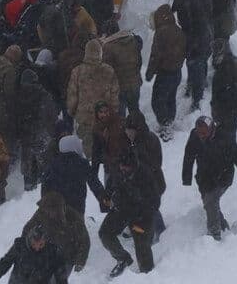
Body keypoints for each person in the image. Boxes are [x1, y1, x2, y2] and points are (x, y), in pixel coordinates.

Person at [182, 116, 237, 240]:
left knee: (211, 202)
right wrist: (186, 177)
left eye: (204, 133)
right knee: (209, 203)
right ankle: (224, 227)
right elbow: (188, 156)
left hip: (223, 176)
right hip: (204, 178)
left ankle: (214, 234)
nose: (201, 136)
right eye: (199, 133)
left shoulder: (225, 137)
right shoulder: (195, 136)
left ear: (212, 129)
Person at [99, 152, 160, 277]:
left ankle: (148, 274)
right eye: (121, 166)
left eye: (126, 167)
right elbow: (110, 187)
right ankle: (123, 258)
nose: (123, 169)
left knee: (142, 244)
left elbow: (154, 202)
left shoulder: (145, 176)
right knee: (105, 233)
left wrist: (140, 215)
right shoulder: (118, 171)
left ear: (134, 166)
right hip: (121, 211)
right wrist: (106, 197)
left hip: (141, 215)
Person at [67, 39, 119, 157]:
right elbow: (114, 95)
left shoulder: (77, 71)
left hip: (84, 118)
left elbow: (72, 95)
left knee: (87, 152)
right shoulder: (109, 71)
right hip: (103, 118)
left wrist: (72, 111)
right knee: (105, 151)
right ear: (100, 53)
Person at [22, 191, 90, 276]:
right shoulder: (41, 214)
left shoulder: (72, 217)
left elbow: (84, 240)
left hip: (67, 256)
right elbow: (27, 230)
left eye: (53, 210)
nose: (50, 214)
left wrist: (80, 260)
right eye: (47, 210)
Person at [124, 112, 167, 241]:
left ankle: (161, 232)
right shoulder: (133, 142)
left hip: (152, 183)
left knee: (150, 207)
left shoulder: (147, 142)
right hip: (142, 183)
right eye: (127, 130)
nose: (128, 133)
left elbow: (154, 165)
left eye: (130, 131)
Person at [145, 4, 186, 140]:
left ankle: (165, 125)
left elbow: (155, 56)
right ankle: (169, 121)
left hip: (165, 73)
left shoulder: (161, 33)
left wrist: (150, 73)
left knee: (157, 100)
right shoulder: (178, 30)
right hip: (177, 72)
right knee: (170, 98)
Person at [170, 0, 212, 111]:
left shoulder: (184, 2)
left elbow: (190, 25)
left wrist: (191, 43)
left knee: (195, 64)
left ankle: (196, 98)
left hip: (196, 39)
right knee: (198, 63)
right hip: (203, 35)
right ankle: (194, 85)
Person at [41, 135, 105, 215]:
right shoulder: (82, 164)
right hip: (76, 207)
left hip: (56, 209)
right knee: (76, 226)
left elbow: (45, 184)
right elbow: (94, 183)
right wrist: (103, 199)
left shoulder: (53, 164)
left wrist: (44, 202)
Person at [0, 226, 69, 284]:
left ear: (45, 242)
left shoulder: (52, 252)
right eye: (34, 244)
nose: (37, 248)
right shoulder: (20, 247)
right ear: (30, 239)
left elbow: (61, 276)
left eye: (41, 244)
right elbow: (3, 265)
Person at [17, 69, 58, 191]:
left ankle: (28, 190)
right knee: (44, 167)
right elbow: (52, 116)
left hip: (26, 137)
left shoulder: (18, 97)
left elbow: (15, 118)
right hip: (42, 135)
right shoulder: (43, 95)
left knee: (28, 168)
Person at [0, 45, 23, 159]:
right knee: (7, 134)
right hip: (3, 107)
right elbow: (9, 92)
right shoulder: (10, 70)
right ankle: (7, 159)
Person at [100, 22, 143, 117]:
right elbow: (139, 62)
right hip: (135, 84)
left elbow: (106, 71)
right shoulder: (133, 41)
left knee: (120, 115)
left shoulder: (108, 47)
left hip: (120, 87)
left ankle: (122, 130)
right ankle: (137, 129)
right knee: (134, 110)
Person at [210, 40, 237, 134]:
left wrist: (215, 110)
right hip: (234, 108)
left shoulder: (223, 68)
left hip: (226, 110)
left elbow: (219, 91)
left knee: (225, 139)